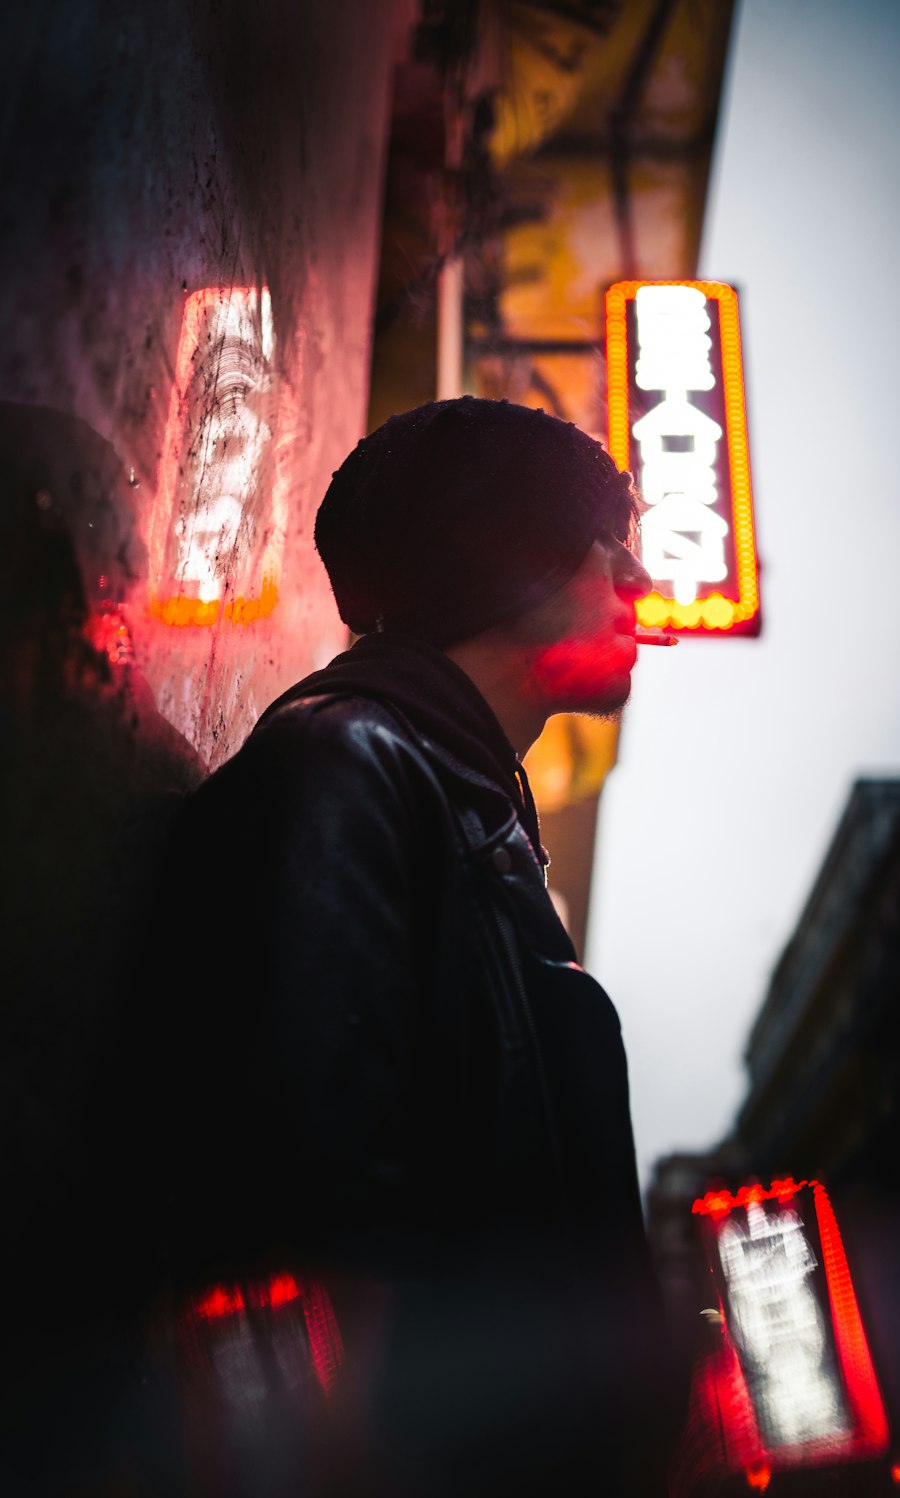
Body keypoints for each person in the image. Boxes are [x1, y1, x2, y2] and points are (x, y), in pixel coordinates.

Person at [155, 396, 675, 1497]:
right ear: (513, 564)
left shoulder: (465, 812)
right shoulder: (350, 768)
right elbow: (304, 1213)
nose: (639, 582)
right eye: (605, 547)